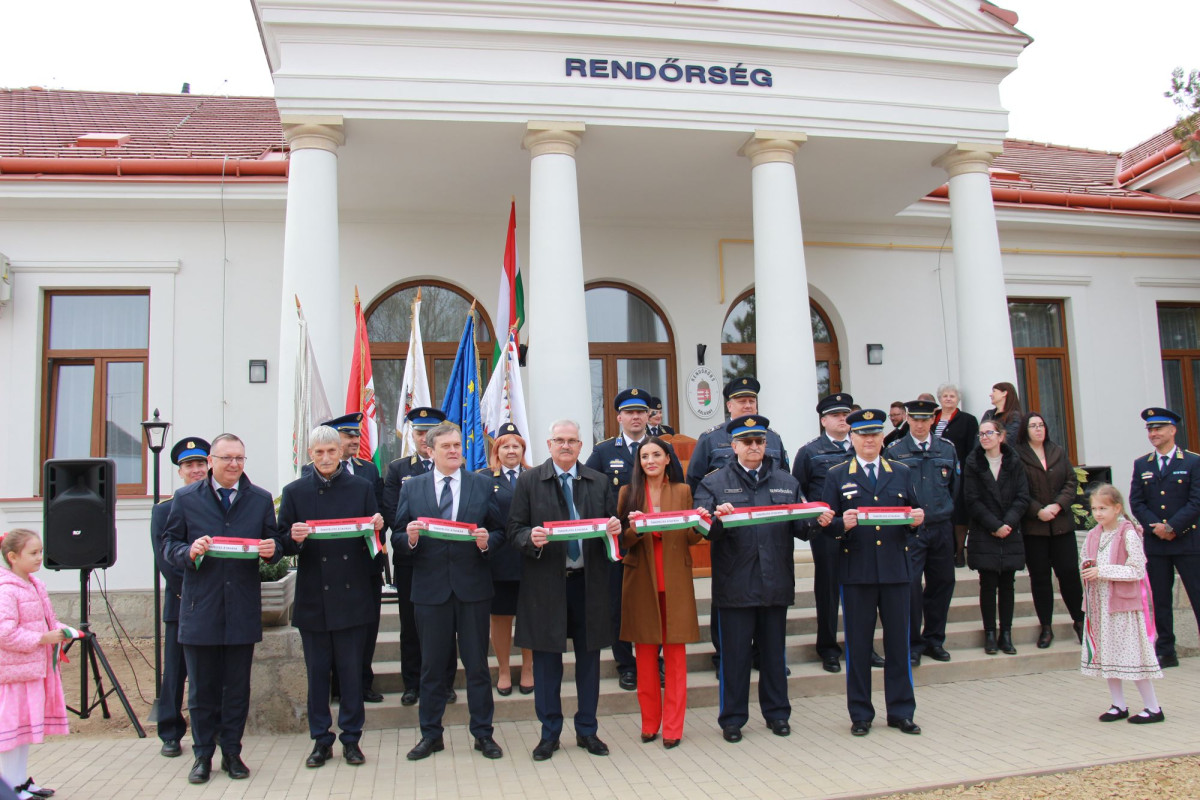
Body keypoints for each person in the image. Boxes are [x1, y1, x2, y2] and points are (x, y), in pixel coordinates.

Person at [696, 415, 830, 743]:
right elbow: (703, 531)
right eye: (747, 442)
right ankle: (732, 719)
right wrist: (716, 519)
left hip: (775, 582)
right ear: (734, 446)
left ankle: (777, 714)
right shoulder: (713, 484)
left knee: (773, 655)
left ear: (765, 445)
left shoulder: (786, 482)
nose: (754, 447)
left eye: (759, 441)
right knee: (735, 658)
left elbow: (800, 528)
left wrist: (818, 521)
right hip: (735, 584)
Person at [162, 433, 285, 785]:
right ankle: (202, 755)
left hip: (242, 607)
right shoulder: (186, 499)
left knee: (236, 687)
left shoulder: (259, 499)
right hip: (202, 607)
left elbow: (274, 542)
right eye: (227, 458)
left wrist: (271, 549)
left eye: (240, 459)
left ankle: (232, 751)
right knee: (201, 688)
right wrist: (189, 552)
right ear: (212, 460)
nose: (234, 464)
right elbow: (170, 544)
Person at [508, 420, 621, 762]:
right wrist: (531, 539)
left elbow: (613, 526)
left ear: (581, 445)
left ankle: (587, 730)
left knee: (589, 662)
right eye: (560, 440)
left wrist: (615, 526)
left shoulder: (598, 481)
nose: (566, 446)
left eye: (572, 440)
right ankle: (549, 734)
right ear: (549, 443)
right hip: (546, 586)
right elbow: (514, 529)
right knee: (546, 665)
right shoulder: (530, 481)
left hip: (589, 584)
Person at [394, 421, 505, 760]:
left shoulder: (482, 485)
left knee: (477, 667)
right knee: (431, 668)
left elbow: (500, 531)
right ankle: (431, 735)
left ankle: (483, 734)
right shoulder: (412, 489)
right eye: (447, 447)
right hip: (429, 591)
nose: (455, 451)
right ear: (430, 451)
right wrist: (409, 538)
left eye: (457, 445)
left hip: (472, 590)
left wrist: (488, 543)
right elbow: (397, 537)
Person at [279, 426, 385, 768]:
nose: (325, 458)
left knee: (352, 673)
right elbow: (281, 544)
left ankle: (352, 739)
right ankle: (321, 739)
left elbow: (374, 550)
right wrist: (293, 538)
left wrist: (376, 531)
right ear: (310, 454)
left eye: (331, 451)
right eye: (319, 452)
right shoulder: (294, 492)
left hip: (352, 594)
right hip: (313, 597)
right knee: (317, 674)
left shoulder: (362, 488)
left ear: (342, 452)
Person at [822, 409, 925, 738]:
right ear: (851, 438)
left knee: (898, 645)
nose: (869, 440)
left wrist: (915, 522)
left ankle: (901, 711)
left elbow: (914, 516)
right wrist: (841, 525)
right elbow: (826, 525)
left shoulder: (901, 472)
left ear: (883, 438)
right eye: (862, 434)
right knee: (858, 646)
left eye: (874, 434)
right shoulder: (837, 475)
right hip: (858, 572)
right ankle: (861, 714)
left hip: (895, 571)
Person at [686, 375, 789, 672]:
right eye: (741, 400)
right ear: (729, 405)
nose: (747, 405)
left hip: (769, 535)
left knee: (768, 597)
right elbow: (695, 480)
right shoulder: (710, 438)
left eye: (752, 400)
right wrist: (707, 515)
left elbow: (785, 478)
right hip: (730, 536)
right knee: (728, 599)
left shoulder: (774, 438)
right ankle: (725, 655)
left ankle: (765, 656)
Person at [586, 388, 683, 692]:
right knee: (621, 605)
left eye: (641, 411)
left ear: (649, 415)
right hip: (621, 543)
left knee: (659, 603)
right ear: (619, 417)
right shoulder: (603, 452)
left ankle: (657, 661)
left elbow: (678, 486)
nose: (636, 417)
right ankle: (626, 665)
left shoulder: (663, 448)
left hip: (657, 542)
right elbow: (589, 492)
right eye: (630, 412)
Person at [617, 437, 705, 748]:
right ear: (638, 463)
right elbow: (620, 542)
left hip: (675, 581)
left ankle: (673, 727)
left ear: (668, 459)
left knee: (676, 660)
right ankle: (649, 722)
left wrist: (703, 525)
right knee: (644, 659)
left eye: (656, 454)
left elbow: (691, 537)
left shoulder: (682, 492)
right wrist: (635, 529)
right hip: (641, 582)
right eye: (644, 456)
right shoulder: (628, 493)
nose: (650, 460)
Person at [382, 406, 456, 706]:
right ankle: (412, 683)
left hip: (447, 559)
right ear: (411, 435)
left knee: (446, 625)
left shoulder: (455, 466)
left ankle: (445, 683)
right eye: (419, 432)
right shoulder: (399, 470)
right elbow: (391, 511)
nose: (424, 437)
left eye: (430, 432)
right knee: (411, 624)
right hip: (412, 559)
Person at [316, 412, 386, 704]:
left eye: (357, 436)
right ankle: (337, 684)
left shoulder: (368, 470)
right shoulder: (312, 472)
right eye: (348, 436)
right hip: (329, 567)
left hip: (364, 562)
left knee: (367, 626)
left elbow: (379, 509)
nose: (355, 441)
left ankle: (363, 681)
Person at [1080, 484, 1164, 724]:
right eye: (1094, 508)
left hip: (1123, 607)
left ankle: (1153, 707)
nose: (1098, 513)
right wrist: (1087, 566)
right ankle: (1118, 704)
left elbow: (1137, 570)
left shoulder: (1128, 533)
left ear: (1117, 508)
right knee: (1107, 655)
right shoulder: (1095, 534)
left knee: (1133, 656)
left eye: (1103, 508)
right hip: (1101, 605)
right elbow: (1085, 557)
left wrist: (1102, 571)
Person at [149, 436, 211, 759]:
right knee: (175, 671)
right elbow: (165, 560)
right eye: (190, 465)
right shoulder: (163, 511)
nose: (196, 470)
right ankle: (170, 732)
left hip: (212, 602)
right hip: (180, 601)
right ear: (180, 472)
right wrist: (189, 592)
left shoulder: (212, 504)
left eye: (201, 463)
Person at [885, 400, 959, 667]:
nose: (918, 424)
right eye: (914, 419)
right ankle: (912, 643)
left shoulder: (946, 449)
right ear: (907, 419)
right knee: (911, 587)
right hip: (911, 531)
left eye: (924, 419)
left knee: (942, 583)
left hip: (940, 527)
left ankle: (935, 639)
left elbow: (954, 488)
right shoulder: (895, 450)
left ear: (932, 421)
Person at [1128, 406, 1200, 669]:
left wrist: (1172, 527)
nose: (1153, 433)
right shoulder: (1142, 464)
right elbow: (1136, 502)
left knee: (1197, 594)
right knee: (1160, 599)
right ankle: (1166, 651)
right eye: (1150, 429)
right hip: (1156, 543)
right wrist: (1156, 526)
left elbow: (1196, 502)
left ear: (1173, 430)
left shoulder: (1192, 461)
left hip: (1187, 541)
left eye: (1158, 428)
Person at [0, 529, 69, 800]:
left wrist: (63, 631)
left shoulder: (35, 584)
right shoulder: (6, 590)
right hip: (13, 673)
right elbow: (4, 633)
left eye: (40, 551)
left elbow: (45, 621)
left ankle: (20, 782)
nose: (39, 557)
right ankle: (8, 787)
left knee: (24, 730)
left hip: (32, 669)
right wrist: (42, 638)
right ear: (13, 557)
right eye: (33, 553)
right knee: (9, 732)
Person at [792, 392, 855, 673]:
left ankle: (862, 645)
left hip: (859, 529)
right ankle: (828, 648)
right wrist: (814, 518)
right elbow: (799, 490)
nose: (843, 419)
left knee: (860, 590)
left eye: (846, 415)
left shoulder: (861, 447)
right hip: (827, 530)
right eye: (836, 415)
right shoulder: (810, 451)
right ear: (823, 420)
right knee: (828, 590)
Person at [1017, 411, 1085, 648]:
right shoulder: (1018, 455)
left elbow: (1071, 482)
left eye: (1041, 425)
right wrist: (1038, 510)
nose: (1038, 429)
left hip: (1061, 526)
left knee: (1069, 574)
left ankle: (1080, 621)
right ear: (1025, 430)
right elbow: (1019, 491)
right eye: (1033, 426)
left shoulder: (1057, 450)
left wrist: (1057, 506)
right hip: (1035, 529)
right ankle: (1046, 627)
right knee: (1040, 578)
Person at [963, 419, 1030, 657]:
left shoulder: (1014, 462)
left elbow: (1023, 496)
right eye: (981, 434)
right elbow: (971, 499)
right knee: (988, 584)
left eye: (989, 433)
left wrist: (1007, 523)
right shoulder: (973, 462)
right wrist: (994, 525)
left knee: (1007, 584)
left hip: (1010, 530)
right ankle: (990, 633)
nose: (985, 437)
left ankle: (1007, 633)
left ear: (1001, 436)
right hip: (985, 530)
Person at [478, 422, 533, 697]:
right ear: (496, 450)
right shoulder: (484, 478)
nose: (511, 451)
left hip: (530, 558)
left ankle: (528, 667)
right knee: (500, 617)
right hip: (498, 560)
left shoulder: (535, 476)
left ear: (523, 449)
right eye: (505, 446)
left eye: (516, 446)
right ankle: (502, 668)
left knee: (528, 616)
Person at [931, 383, 979, 568]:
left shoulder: (967, 419)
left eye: (952, 396)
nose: (948, 399)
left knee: (959, 513)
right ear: (940, 399)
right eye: (945, 396)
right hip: (935, 473)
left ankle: (959, 552)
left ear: (958, 399)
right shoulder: (932, 418)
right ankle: (944, 551)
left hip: (959, 472)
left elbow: (971, 448)